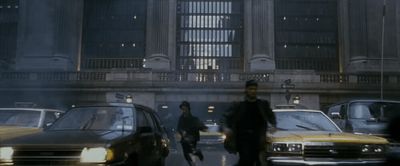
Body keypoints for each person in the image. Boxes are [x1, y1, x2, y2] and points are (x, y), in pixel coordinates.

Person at [221, 80, 277, 166]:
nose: (253, 91)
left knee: (257, 160)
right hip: (243, 139)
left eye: (255, 89)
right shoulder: (239, 105)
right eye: (251, 89)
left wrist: (273, 125)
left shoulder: (262, 105)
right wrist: (226, 128)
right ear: (246, 90)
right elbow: (225, 117)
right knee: (246, 159)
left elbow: (271, 116)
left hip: (258, 138)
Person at [177, 101, 207, 166]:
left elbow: (200, 126)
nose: (184, 110)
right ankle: (192, 163)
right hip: (184, 138)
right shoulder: (181, 118)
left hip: (192, 138)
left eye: (185, 109)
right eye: (182, 109)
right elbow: (179, 128)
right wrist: (182, 132)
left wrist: (203, 128)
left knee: (192, 151)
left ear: (188, 109)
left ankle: (198, 153)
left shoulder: (194, 118)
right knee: (186, 154)